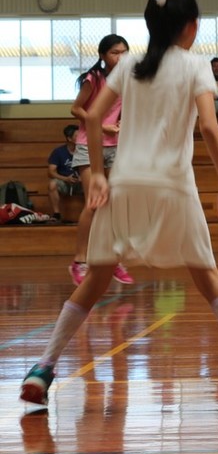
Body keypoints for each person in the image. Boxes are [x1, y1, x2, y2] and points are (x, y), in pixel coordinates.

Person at [19, 0, 218, 409]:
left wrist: (95, 177)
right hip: (172, 185)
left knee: (95, 279)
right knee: (207, 276)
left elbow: (90, 116)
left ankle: (43, 367)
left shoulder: (128, 64)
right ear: (192, 26)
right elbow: (207, 127)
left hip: (123, 183)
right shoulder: (195, 65)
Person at [68, 34, 134, 287]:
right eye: (115, 53)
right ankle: (79, 261)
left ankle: (112, 259)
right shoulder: (93, 78)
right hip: (89, 144)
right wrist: (102, 125)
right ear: (103, 56)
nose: (120, 57)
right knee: (93, 203)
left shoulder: (127, 80)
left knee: (115, 205)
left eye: (124, 52)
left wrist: (120, 124)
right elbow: (76, 109)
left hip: (115, 146)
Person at [46, 124, 82, 222]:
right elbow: (50, 172)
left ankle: (92, 213)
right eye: (77, 136)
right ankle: (57, 214)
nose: (81, 138)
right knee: (52, 184)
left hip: (82, 183)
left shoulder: (85, 150)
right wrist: (66, 178)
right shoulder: (58, 152)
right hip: (65, 182)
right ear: (69, 138)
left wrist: (83, 178)